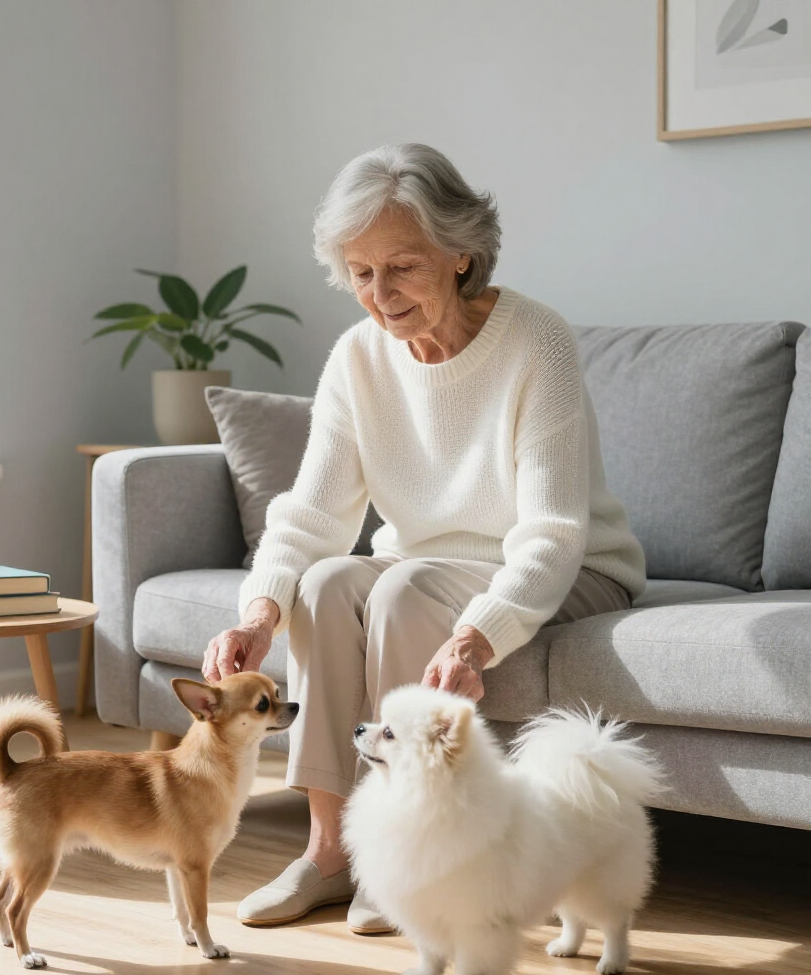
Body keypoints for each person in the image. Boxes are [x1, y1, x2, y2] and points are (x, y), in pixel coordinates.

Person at [202, 143, 646, 934]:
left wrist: (478, 638)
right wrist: (259, 613)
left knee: (401, 586)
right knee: (327, 581)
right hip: (426, 564)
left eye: (402, 266)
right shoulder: (357, 358)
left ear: (460, 252)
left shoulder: (535, 340)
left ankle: (411, 859)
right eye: (361, 272)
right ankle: (332, 853)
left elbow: (551, 531)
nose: (380, 294)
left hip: (561, 570)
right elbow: (311, 514)